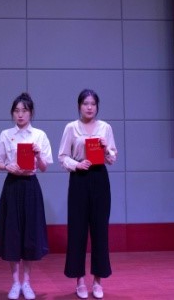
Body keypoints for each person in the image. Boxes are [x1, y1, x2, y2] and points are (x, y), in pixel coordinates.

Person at [0, 92, 53, 300]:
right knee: (13, 233)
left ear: (31, 113)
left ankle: (27, 282)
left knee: (30, 234)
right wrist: (7, 166)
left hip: (30, 186)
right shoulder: (5, 134)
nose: (20, 115)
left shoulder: (39, 135)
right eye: (16, 111)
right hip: (12, 186)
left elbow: (44, 167)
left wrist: (38, 155)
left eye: (24, 111)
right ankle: (15, 283)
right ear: (12, 113)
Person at [58, 89, 117, 300]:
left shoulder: (105, 128)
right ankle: (80, 281)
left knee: (100, 231)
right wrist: (77, 164)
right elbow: (62, 156)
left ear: (97, 106)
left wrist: (106, 149)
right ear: (79, 106)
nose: (89, 107)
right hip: (79, 179)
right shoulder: (71, 128)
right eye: (85, 103)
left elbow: (112, 158)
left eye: (92, 104)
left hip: (99, 178)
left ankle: (98, 282)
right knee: (77, 231)